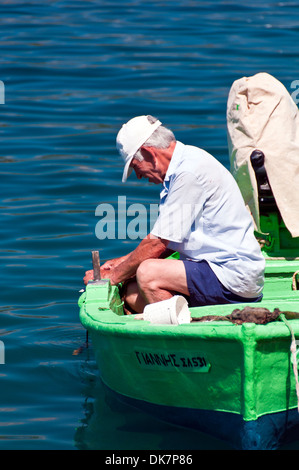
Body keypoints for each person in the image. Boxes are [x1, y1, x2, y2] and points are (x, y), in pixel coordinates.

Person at [84, 115, 265, 314]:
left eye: (136, 167)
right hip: (219, 273)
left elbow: (158, 243)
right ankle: (183, 319)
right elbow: (170, 242)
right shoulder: (186, 163)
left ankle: (180, 336)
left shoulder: (188, 173)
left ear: (148, 152)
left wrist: (112, 276)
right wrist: (119, 263)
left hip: (232, 277)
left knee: (148, 273)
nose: (138, 176)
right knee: (132, 293)